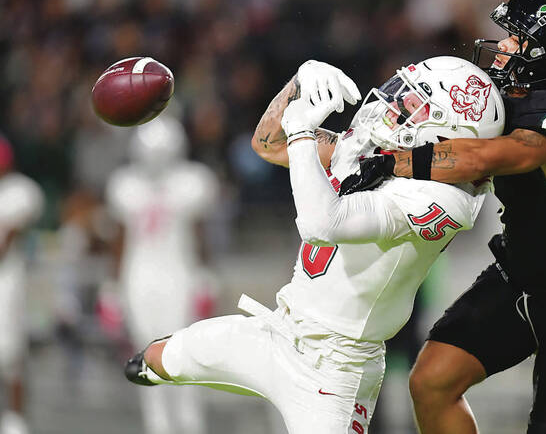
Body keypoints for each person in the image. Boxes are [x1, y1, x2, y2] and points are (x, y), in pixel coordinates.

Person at [123, 55, 505, 433]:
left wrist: (303, 132)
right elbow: (268, 144)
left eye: (411, 103)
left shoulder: (446, 201)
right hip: (279, 330)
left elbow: (322, 223)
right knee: (149, 361)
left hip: (336, 371)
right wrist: (297, 84)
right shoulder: (378, 154)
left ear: (447, 131)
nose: (392, 103)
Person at [340, 0, 546, 434]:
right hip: (517, 274)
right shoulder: (519, 97)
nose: (504, 45)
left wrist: (393, 160)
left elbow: (483, 157)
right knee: (432, 382)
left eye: (519, 39)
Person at [106, 116, 218, 434]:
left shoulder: (191, 182)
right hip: (139, 276)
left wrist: (205, 275)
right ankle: (158, 427)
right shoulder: (125, 184)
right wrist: (112, 287)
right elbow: (120, 238)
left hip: (178, 273)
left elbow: (199, 234)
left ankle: (190, 424)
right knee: (146, 355)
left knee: (183, 353)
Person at [0, 135, 44, 434]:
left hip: (6, 280)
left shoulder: (18, 192)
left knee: (9, 353)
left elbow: (4, 247)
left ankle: (15, 421)